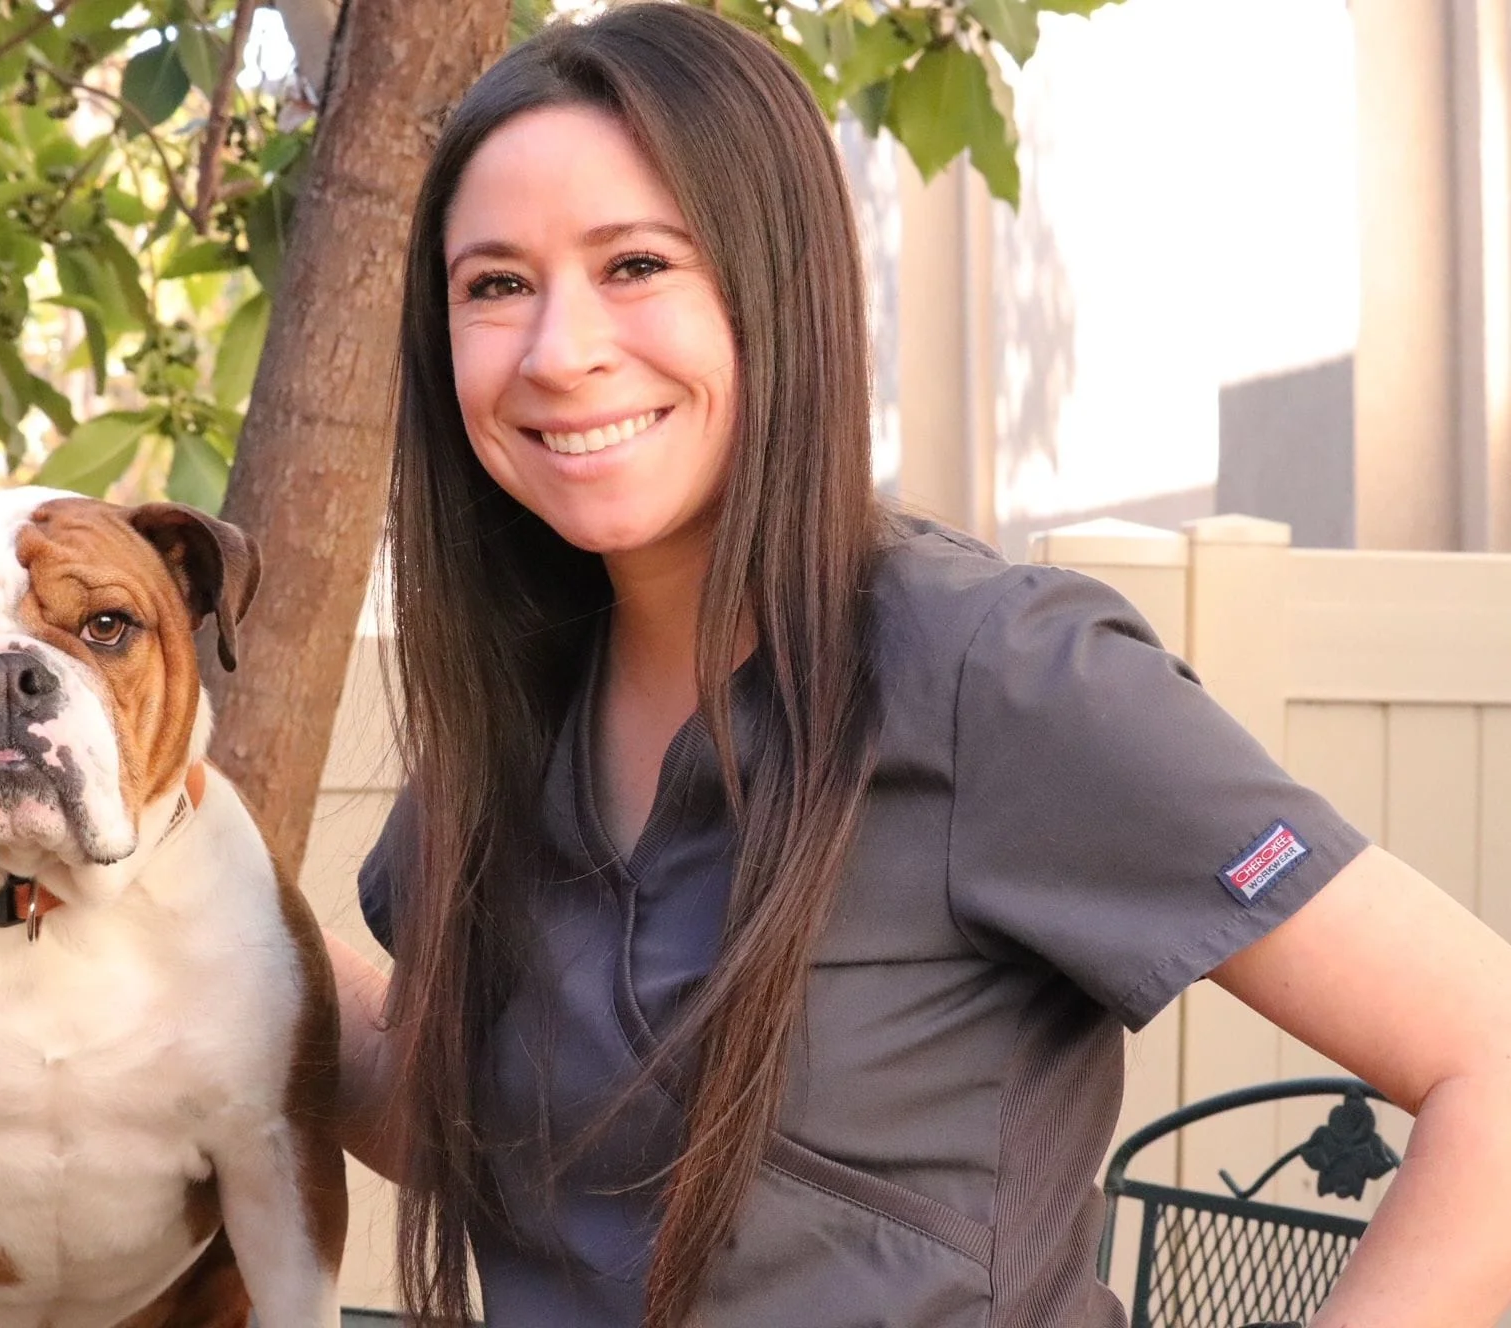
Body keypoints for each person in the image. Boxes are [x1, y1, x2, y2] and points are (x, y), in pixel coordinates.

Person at [321, 5, 1511, 1326]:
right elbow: (477, 1141)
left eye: (637, 263)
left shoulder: (996, 676)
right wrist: (177, 888)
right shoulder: (511, 723)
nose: (560, 350)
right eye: (497, 284)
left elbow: (1493, 1065)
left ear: (780, 285)